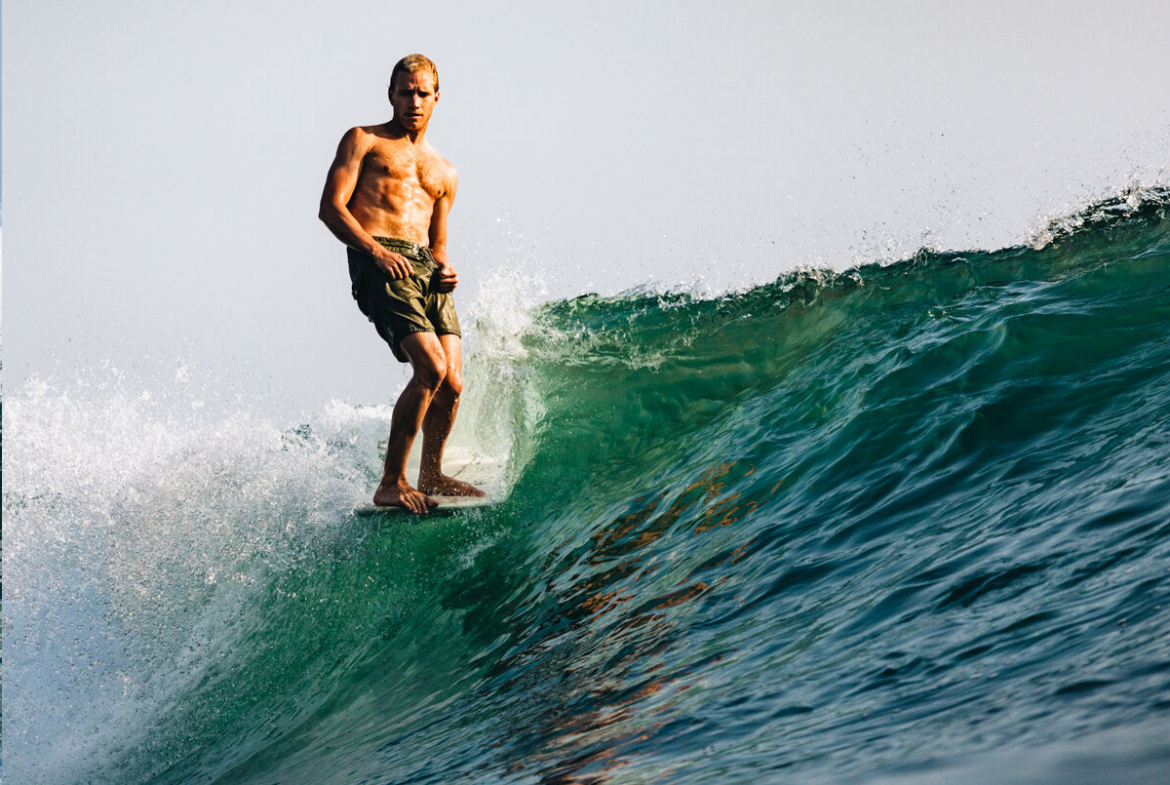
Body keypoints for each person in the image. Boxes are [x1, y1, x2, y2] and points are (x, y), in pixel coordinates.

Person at [319, 54, 483, 513]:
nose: (413, 100)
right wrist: (375, 251)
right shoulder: (364, 141)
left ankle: (431, 472)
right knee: (428, 368)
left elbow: (439, 243)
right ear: (391, 94)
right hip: (379, 260)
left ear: (436, 99)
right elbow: (331, 208)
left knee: (451, 382)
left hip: (426, 271)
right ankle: (391, 481)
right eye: (404, 91)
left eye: (422, 93)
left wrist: (446, 268)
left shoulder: (445, 171)